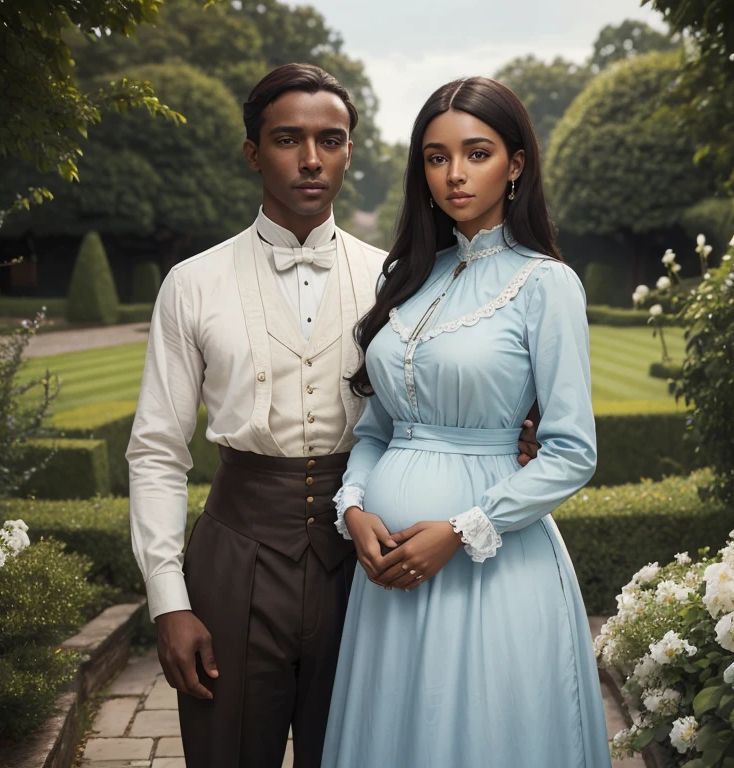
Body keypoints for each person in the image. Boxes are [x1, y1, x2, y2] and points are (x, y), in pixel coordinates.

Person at [127, 64, 539, 768]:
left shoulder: (404, 280)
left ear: (351, 150)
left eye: (331, 139)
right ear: (254, 152)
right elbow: (158, 453)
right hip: (235, 557)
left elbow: (468, 383)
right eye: (288, 139)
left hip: (369, 563)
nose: (311, 158)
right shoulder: (191, 284)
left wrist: (510, 440)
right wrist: (170, 602)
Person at [322, 76, 611, 768]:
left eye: (476, 153)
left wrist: (458, 531)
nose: (454, 174)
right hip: (385, 574)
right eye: (435, 156)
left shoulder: (545, 284)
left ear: (515, 164)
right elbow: (375, 431)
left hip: (491, 569)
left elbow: (571, 452)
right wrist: (355, 510)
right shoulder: (410, 275)